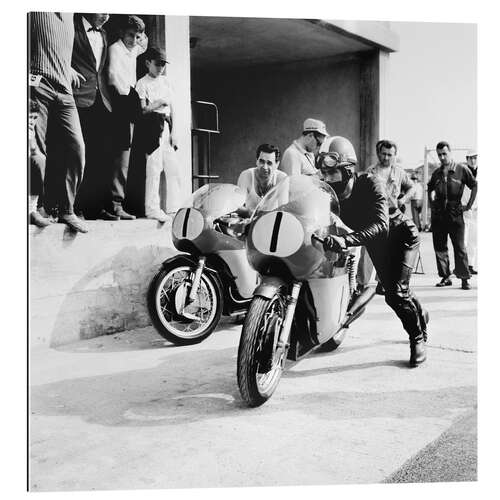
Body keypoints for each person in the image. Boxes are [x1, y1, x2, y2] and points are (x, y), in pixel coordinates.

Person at [319, 136, 429, 367]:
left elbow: (381, 225)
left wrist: (346, 240)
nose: (328, 178)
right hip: (376, 245)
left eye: (333, 173)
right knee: (398, 290)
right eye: (325, 174)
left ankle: (418, 337)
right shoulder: (330, 194)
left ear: (348, 170)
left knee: (395, 295)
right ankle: (420, 312)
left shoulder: (371, 182)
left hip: (402, 238)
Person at [29, 12, 88, 232]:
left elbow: (56, 44)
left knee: (77, 150)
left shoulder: (70, 14)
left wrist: (67, 66)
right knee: (35, 152)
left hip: (64, 90)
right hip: (37, 84)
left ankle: (66, 210)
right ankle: (30, 208)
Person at [71, 13, 114, 220]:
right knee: (79, 155)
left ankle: (94, 208)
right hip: (79, 96)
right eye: (102, 10)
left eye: (108, 11)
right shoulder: (72, 26)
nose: (106, 15)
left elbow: (102, 68)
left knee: (100, 156)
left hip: (102, 100)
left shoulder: (104, 33)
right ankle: (74, 206)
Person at [106, 15, 148, 220]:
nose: (134, 40)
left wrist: (141, 32)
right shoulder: (116, 48)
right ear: (122, 32)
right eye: (130, 35)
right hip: (121, 100)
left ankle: (119, 202)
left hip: (130, 102)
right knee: (120, 154)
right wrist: (128, 94)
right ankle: (114, 203)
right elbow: (112, 77)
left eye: (137, 36)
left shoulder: (134, 49)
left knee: (129, 153)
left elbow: (145, 44)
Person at [135, 47, 181, 222]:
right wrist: (159, 102)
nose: (160, 68)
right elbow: (142, 109)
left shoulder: (167, 82)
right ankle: (152, 209)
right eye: (157, 64)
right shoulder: (142, 83)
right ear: (148, 63)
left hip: (167, 126)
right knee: (154, 169)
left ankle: (173, 208)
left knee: (173, 169)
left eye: (163, 64)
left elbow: (172, 108)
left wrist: (175, 132)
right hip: (151, 127)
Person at [427, 141, 477, 290]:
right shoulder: (436, 173)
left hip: (456, 214)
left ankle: (464, 278)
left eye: (445, 154)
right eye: (439, 155)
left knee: (460, 247)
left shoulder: (461, 169)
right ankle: (445, 277)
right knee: (440, 247)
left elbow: (474, 185)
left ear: (450, 153)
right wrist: (432, 206)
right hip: (439, 216)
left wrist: (468, 205)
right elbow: (429, 189)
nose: (442, 157)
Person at [236, 143, 287, 217]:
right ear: (256, 161)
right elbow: (237, 206)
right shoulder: (246, 175)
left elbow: (283, 210)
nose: (265, 167)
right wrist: (252, 213)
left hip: (273, 223)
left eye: (269, 163)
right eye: (261, 161)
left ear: (277, 164)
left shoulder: (282, 178)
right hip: (250, 222)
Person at [29, 100, 51, 228]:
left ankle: (34, 209)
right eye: (29, 117)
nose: (31, 121)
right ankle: (31, 211)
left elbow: (34, 151)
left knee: (39, 160)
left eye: (34, 118)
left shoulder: (30, 131)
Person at [463, 150, 478, 274]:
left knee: (474, 239)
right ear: (467, 159)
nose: (473, 160)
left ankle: (471, 265)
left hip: (477, 211)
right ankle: (462, 265)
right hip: (464, 210)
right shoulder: (462, 171)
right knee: (463, 240)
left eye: (475, 158)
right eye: (470, 158)